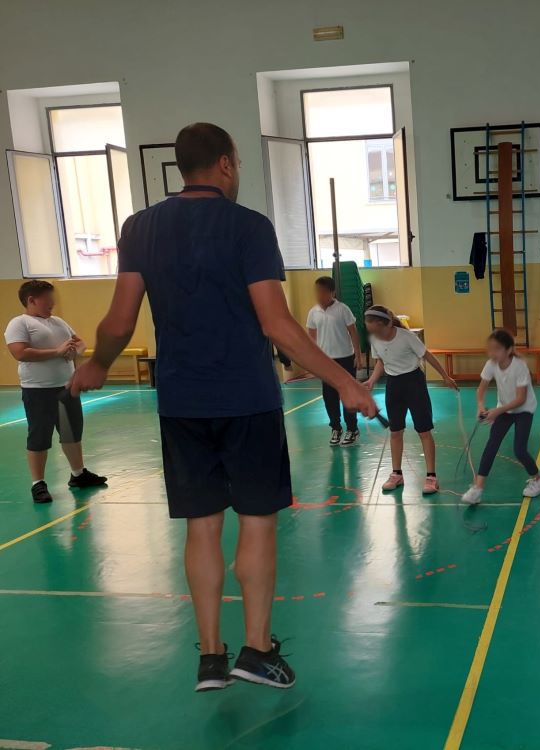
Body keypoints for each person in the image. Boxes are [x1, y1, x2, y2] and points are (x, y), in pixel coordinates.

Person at [70, 122, 377, 693]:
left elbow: (119, 320)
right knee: (257, 523)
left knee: (202, 526)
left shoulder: (139, 227)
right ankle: (257, 650)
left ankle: (211, 657)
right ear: (227, 164)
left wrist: (96, 363)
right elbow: (276, 323)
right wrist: (345, 381)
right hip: (247, 401)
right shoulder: (249, 227)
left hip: (180, 402)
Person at [4, 280, 106, 504]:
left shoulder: (58, 321)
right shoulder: (19, 323)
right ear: (31, 300)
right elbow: (20, 352)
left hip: (67, 387)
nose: (52, 304)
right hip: (38, 390)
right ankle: (38, 483)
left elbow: (79, 343)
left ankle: (78, 474)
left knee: (72, 432)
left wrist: (76, 350)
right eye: (48, 300)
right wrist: (57, 351)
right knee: (39, 436)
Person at [363, 305, 457, 494]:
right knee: (395, 431)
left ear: (387, 324)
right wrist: (372, 380)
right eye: (371, 331)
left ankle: (431, 476)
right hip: (393, 385)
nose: (375, 335)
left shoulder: (406, 337)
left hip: (414, 383)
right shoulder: (375, 339)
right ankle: (396, 474)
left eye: (377, 330)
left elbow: (427, 355)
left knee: (424, 430)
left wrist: (445, 377)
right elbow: (381, 361)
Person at [461, 329, 540, 505]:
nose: (492, 353)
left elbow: (521, 399)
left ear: (508, 350)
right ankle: (478, 489)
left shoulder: (519, 366)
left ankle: (539, 480)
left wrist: (498, 411)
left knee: (519, 450)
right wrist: (480, 406)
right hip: (505, 409)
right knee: (491, 445)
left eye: (497, 349)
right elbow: (481, 389)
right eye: (490, 348)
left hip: (524, 409)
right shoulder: (491, 364)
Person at [307, 276, 362, 446]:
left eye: (323, 292)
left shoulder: (342, 309)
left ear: (332, 292)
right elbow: (311, 338)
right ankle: (336, 428)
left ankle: (352, 428)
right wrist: (312, 362)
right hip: (326, 361)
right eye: (317, 292)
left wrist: (358, 355)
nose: (319, 295)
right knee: (329, 397)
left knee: (348, 395)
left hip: (346, 358)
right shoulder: (313, 312)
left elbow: (353, 332)